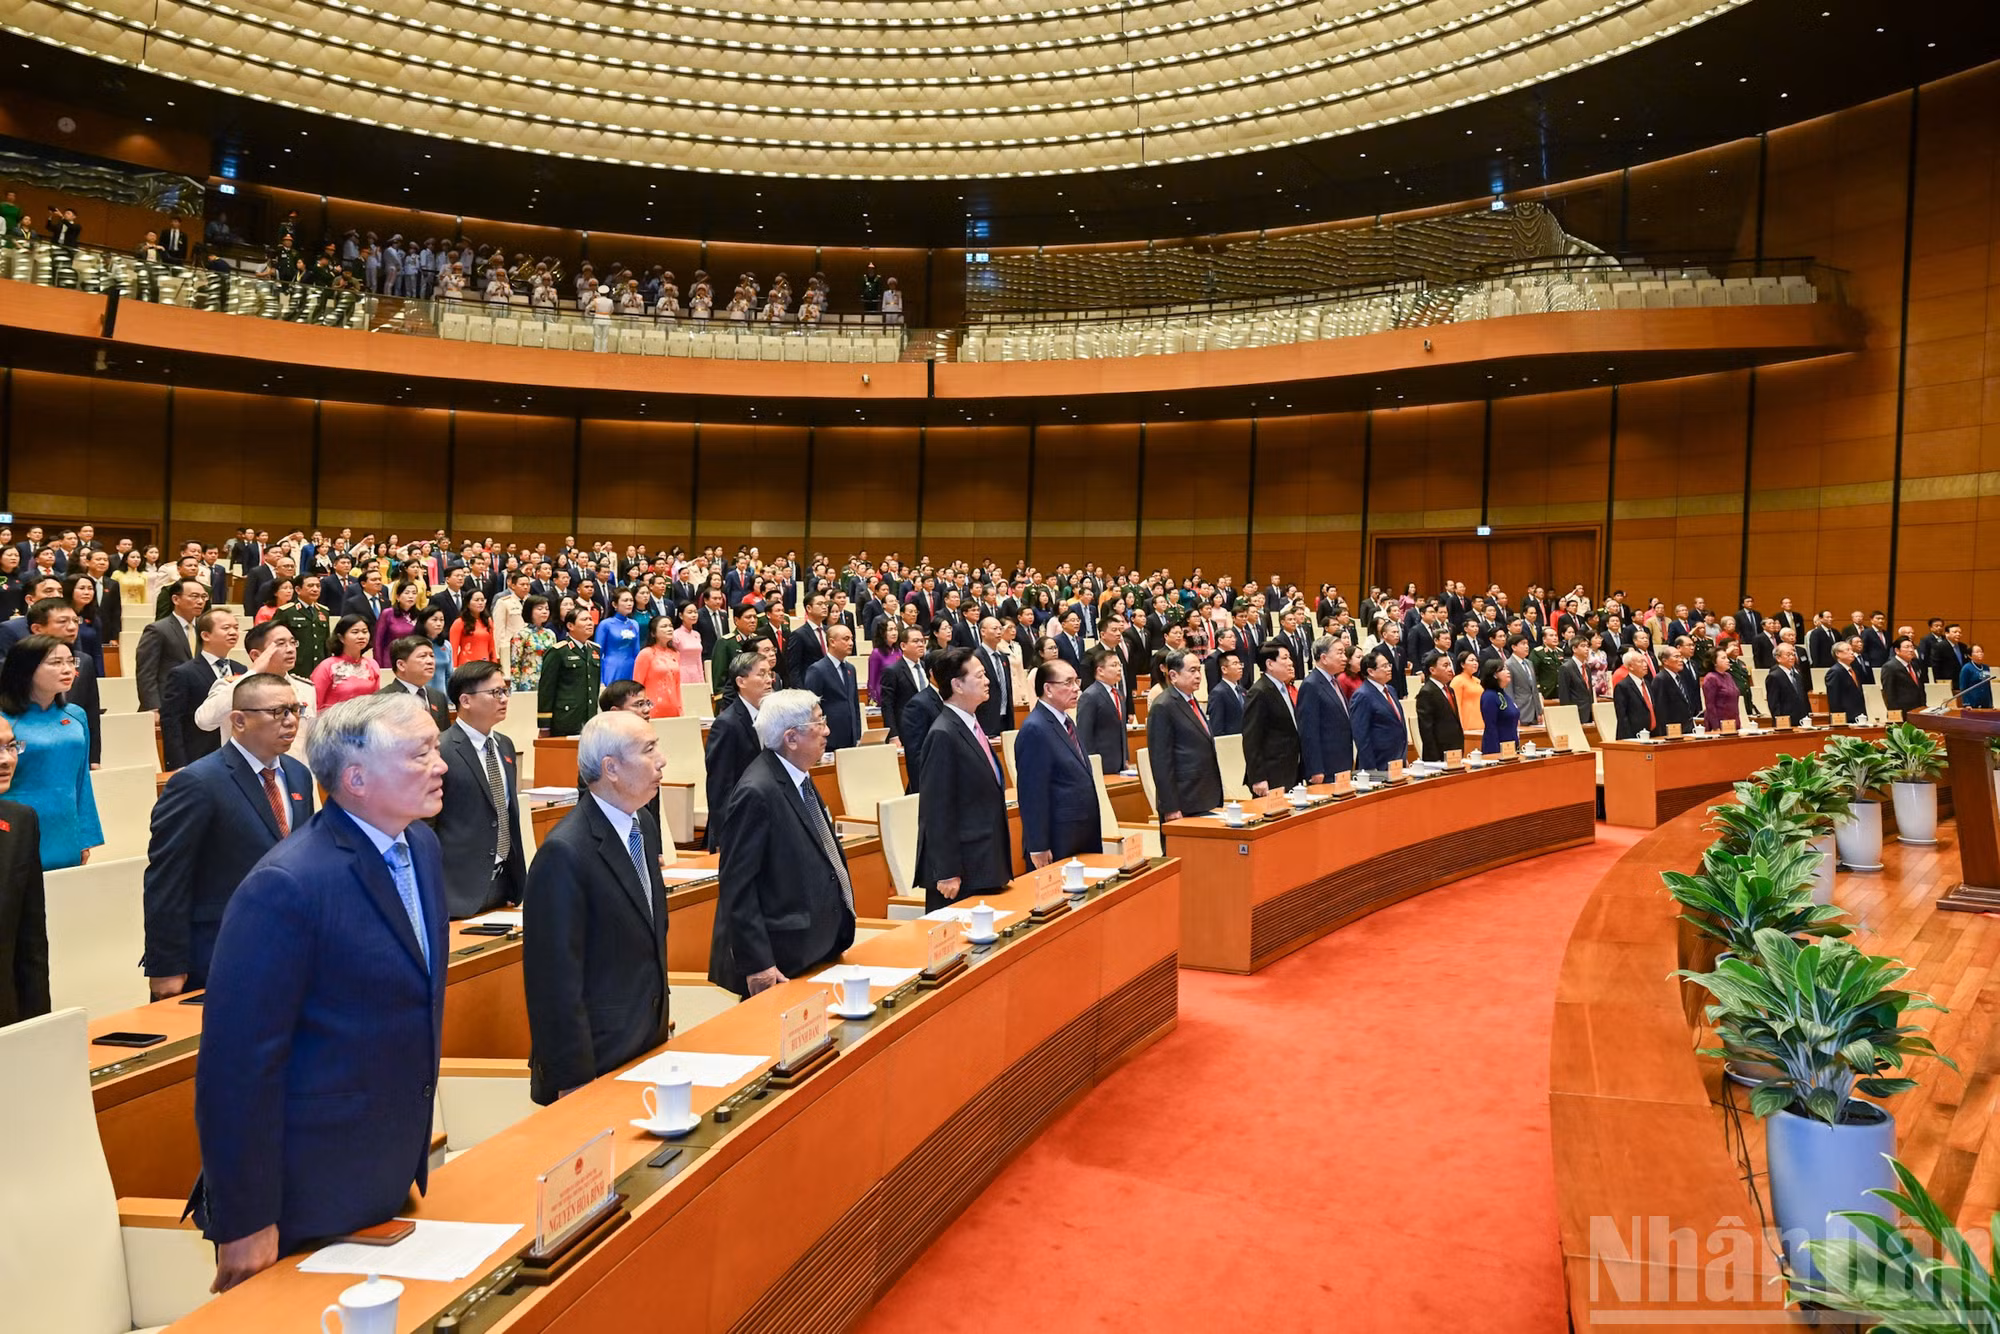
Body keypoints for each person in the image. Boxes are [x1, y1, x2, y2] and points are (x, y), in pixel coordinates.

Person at [190, 693, 447, 1287]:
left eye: (436, 748)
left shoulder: (421, 847)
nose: (440, 765)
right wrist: (246, 1219)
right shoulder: (287, 884)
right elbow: (237, 1067)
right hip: (307, 1191)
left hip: (387, 1171)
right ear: (356, 778)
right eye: (420, 754)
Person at [523, 710, 669, 1104]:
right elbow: (553, 981)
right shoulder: (565, 851)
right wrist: (573, 1078)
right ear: (612, 768)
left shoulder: (643, 824)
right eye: (649, 750)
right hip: (595, 1061)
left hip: (645, 1042)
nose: (662, 760)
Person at [143, 673, 315, 998]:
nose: (291, 721)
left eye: (296, 710)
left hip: (288, 947)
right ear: (238, 720)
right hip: (217, 950)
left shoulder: (298, 775)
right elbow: (166, 879)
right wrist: (166, 965)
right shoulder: (198, 782)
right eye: (278, 712)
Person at [709, 690, 858, 997]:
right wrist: (758, 962)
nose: (827, 730)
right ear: (791, 738)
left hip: (815, 946)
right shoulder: (757, 792)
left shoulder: (797, 776)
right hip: (781, 958)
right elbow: (738, 885)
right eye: (819, 722)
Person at [913, 648, 1009, 912]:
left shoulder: (971, 725)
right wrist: (946, 870)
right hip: (962, 870)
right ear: (957, 685)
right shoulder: (943, 733)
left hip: (985, 859)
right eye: (979, 676)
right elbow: (936, 808)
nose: (987, 681)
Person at [432, 661, 527, 920]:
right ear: (465, 700)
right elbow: (427, 825)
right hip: (457, 892)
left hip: (504, 886)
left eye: (505, 691)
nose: (504, 699)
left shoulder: (505, 745)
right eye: (495, 692)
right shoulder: (441, 749)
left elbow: (507, 814)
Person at [0, 636, 102, 870]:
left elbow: (82, 781)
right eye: (56, 662)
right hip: (16, 828)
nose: (67, 669)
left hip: (65, 827)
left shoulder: (76, 715)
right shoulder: (4, 720)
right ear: (26, 669)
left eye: (70, 661)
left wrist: (85, 835)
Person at [1013, 658, 1097, 865]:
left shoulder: (1066, 721)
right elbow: (1032, 793)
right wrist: (1038, 845)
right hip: (1058, 838)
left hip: (1081, 832)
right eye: (1068, 683)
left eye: (1077, 681)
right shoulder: (1035, 728)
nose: (1076, 688)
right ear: (1048, 689)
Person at [0, 714, 49, 1027]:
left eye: (11, 746)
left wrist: (38, 1032)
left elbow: (31, 946)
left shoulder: (20, 822)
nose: (6, 760)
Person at [162, 608, 245, 770]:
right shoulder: (183, 673)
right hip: (199, 755)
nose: (233, 632)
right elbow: (172, 721)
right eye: (226, 628)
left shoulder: (240, 669)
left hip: (237, 755)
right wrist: (178, 764)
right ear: (206, 635)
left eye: (236, 627)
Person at [704, 651, 772, 852]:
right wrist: (724, 836)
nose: (769, 680)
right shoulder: (727, 724)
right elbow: (719, 786)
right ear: (741, 681)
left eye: (770, 673)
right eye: (761, 674)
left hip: (768, 817)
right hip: (741, 824)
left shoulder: (773, 716)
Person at [1146, 650, 1223, 823]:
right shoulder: (1163, 706)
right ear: (1173, 675)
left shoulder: (1191, 701)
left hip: (1204, 795)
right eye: (1192, 670)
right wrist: (1171, 806)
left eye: (1199, 670)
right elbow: (1161, 761)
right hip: (1183, 800)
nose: (1198, 676)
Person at [136, 576, 207, 711]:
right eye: (194, 596)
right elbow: (146, 673)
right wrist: (153, 707)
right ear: (175, 599)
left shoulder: (204, 629)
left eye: (204, 597)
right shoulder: (157, 629)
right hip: (167, 702)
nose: (200, 601)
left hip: (197, 705)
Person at [1240, 642, 1301, 796]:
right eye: (1285, 658)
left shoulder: (1283, 688)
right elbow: (1252, 739)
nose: (1290, 662)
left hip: (1290, 769)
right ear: (1270, 664)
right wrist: (1258, 777)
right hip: (1271, 773)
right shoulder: (1259, 692)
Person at [538, 605, 603, 736]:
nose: (590, 623)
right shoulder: (559, 651)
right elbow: (546, 690)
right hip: (565, 719)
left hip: (588, 718)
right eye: (584, 620)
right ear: (570, 626)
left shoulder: (595, 650)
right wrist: (544, 725)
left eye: (590, 619)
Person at [1297, 635, 1354, 783]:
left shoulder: (1334, 681)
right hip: (1325, 767)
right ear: (1324, 658)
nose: (1345, 658)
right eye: (1340, 653)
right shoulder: (1311, 685)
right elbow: (1308, 731)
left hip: (1342, 761)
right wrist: (1315, 768)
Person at [804, 623, 862, 751]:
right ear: (832, 642)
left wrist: (857, 733)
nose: (851, 643)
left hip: (851, 737)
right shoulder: (817, 670)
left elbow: (854, 703)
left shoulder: (850, 669)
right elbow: (811, 707)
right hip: (829, 737)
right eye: (846, 639)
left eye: (851, 639)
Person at [1350, 647, 1407, 772]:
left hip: (1397, 758)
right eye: (1384, 666)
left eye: (1389, 665)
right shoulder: (1362, 695)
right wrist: (1370, 768)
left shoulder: (1390, 690)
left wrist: (1403, 756)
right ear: (1371, 671)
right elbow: (1361, 735)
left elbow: (1399, 723)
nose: (1389, 669)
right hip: (1378, 762)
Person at [1076, 644, 1130, 777]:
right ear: (1100, 670)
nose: (1119, 669)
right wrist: (1091, 764)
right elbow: (1084, 734)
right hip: (1101, 764)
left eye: (1119, 665)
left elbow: (1122, 729)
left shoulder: (1118, 694)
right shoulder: (1089, 696)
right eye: (1114, 665)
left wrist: (1126, 757)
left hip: (1120, 763)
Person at [381, 634, 451, 731]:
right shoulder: (383, 699)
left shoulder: (438, 697)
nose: (430, 661)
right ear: (401, 665)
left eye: (432, 656)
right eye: (422, 656)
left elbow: (445, 735)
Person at [312, 613, 383, 709]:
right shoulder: (327, 666)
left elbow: (376, 701)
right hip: (334, 717)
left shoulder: (372, 664)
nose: (361, 636)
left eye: (365, 632)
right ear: (341, 637)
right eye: (355, 632)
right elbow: (314, 703)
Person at [875, 624, 928, 742]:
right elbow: (887, 705)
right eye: (916, 641)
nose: (921, 644)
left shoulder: (926, 667)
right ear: (903, 646)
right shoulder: (892, 671)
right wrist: (893, 735)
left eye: (922, 641)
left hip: (928, 728)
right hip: (906, 730)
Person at [632, 613, 686, 719]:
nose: (669, 629)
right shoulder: (646, 653)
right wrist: (640, 709)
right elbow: (637, 685)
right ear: (653, 633)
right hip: (651, 708)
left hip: (673, 707)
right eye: (664, 626)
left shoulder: (675, 654)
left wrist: (680, 708)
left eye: (670, 626)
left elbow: (677, 685)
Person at [1414, 650, 1463, 762]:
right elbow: (1426, 729)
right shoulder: (1426, 692)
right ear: (1432, 670)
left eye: (1450, 665)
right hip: (1438, 755)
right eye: (1445, 666)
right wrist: (1434, 758)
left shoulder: (1450, 690)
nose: (1450, 669)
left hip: (1454, 749)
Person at [509, 593, 557, 693]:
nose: (544, 611)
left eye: (547, 609)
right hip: (528, 682)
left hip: (548, 680)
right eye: (540, 609)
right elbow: (515, 663)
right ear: (529, 610)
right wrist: (514, 689)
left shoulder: (550, 634)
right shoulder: (521, 634)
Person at [595, 587, 642, 683]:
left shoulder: (635, 624)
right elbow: (597, 654)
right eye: (625, 600)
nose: (629, 603)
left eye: (631, 600)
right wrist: (600, 679)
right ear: (614, 604)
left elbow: (636, 652)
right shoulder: (606, 624)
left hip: (631, 668)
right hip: (611, 668)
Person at [1613, 651, 1660, 739]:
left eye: (1645, 661)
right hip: (1633, 736)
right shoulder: (1622, 686)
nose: (1645, 665)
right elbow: (1622, 716)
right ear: (1630, 666)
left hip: (1652, 734)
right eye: (1641, 662)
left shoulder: (1647, 683)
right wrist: (1630, 738)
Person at [1650, 646, 1697, 732]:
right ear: (1665, 661)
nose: (1680, 660)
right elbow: (1660, 709)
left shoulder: (1681, 677)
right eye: (1676, 657)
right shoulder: (1660, 679)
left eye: (1681, 657)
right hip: (1672, 729)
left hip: (1687, 726)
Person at [1478, 657, 1520, 751]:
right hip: (1497, 748)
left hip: (1511, 746)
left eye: (1507, 669)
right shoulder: (1489, 696)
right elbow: (1491, 727)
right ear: (1495, 675)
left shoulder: (1504, 694)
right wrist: (1495, 753)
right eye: (1503, 669)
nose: (1508, 672)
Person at [1699, 643, 1742, 731]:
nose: (1727, 660)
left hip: (1733, 722)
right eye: (1723, 658)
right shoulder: (1711, 678)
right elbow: (1710, 705)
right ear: (1714, 662)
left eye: (1727, 657)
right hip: (1719, 724)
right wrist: (1716, 727)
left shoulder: (1728, 676)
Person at [449, 589, 496, 666]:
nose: (480, 603)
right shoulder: (459, 622)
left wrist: (494, 665)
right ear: (468, 603)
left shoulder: (488, 621)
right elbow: (453, 650)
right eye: (476, 600)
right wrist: (453, 668)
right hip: (466, 665)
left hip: (485, 665)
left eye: (482, 600)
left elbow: (492, 648)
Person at [1881, 636, 1927, 716]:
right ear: (1897, 650)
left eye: (1912, 647)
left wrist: (1923, 706)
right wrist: (1895, 714)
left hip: (1918, 710)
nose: (1911, 650)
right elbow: (1889, 693)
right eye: (1907, 647)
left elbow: (1920, 688)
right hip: (1902, 712)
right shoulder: (1889, 667)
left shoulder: (1914, 664)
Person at [1207, 649, 1246, 736]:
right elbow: (1216, 727)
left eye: (1240, 663)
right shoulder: (1218, 693)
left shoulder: (1242, 690)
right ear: (1224, 669)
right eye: (1235, 664)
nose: (1240, 667)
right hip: (1230, 740)